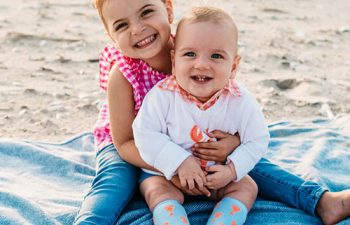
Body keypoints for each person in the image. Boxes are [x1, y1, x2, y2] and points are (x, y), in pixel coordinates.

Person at [74, 0, 350, 224]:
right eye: (122, 25)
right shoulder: (123, 74)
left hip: (192, 138)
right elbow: (125, 143)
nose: (138, 29)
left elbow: (230, 108)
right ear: (111, 35)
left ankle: (321, 201)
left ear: (168, 9)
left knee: (253, 166)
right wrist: (177, 163)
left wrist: (234, 145)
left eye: (146, 11)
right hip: (130, 145)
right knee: (115, 182)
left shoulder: (195, 47)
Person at [132, 7, 269, 225]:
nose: (202, 64)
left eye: (216, 56)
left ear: (233, 66)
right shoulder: (162, 95)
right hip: (170, 177)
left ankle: (222, 221)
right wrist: (180, 162)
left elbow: (258, 139)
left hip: (217, 176)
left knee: (247, 186)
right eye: (189, 54)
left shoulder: (240, 100)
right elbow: (145, 134)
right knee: (153, 188)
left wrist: (232, 170)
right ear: (174, 61)